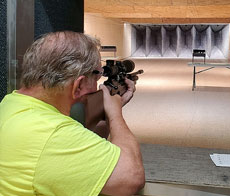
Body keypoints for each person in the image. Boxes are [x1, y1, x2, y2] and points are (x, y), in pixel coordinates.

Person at [0, 31, 145, 196]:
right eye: (97, 77)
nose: (97, 85)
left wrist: (105, 116)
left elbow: (83, 142)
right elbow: (132, 178)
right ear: (79, 85)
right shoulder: (52, 133)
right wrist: (115, 113)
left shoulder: (10, 104)